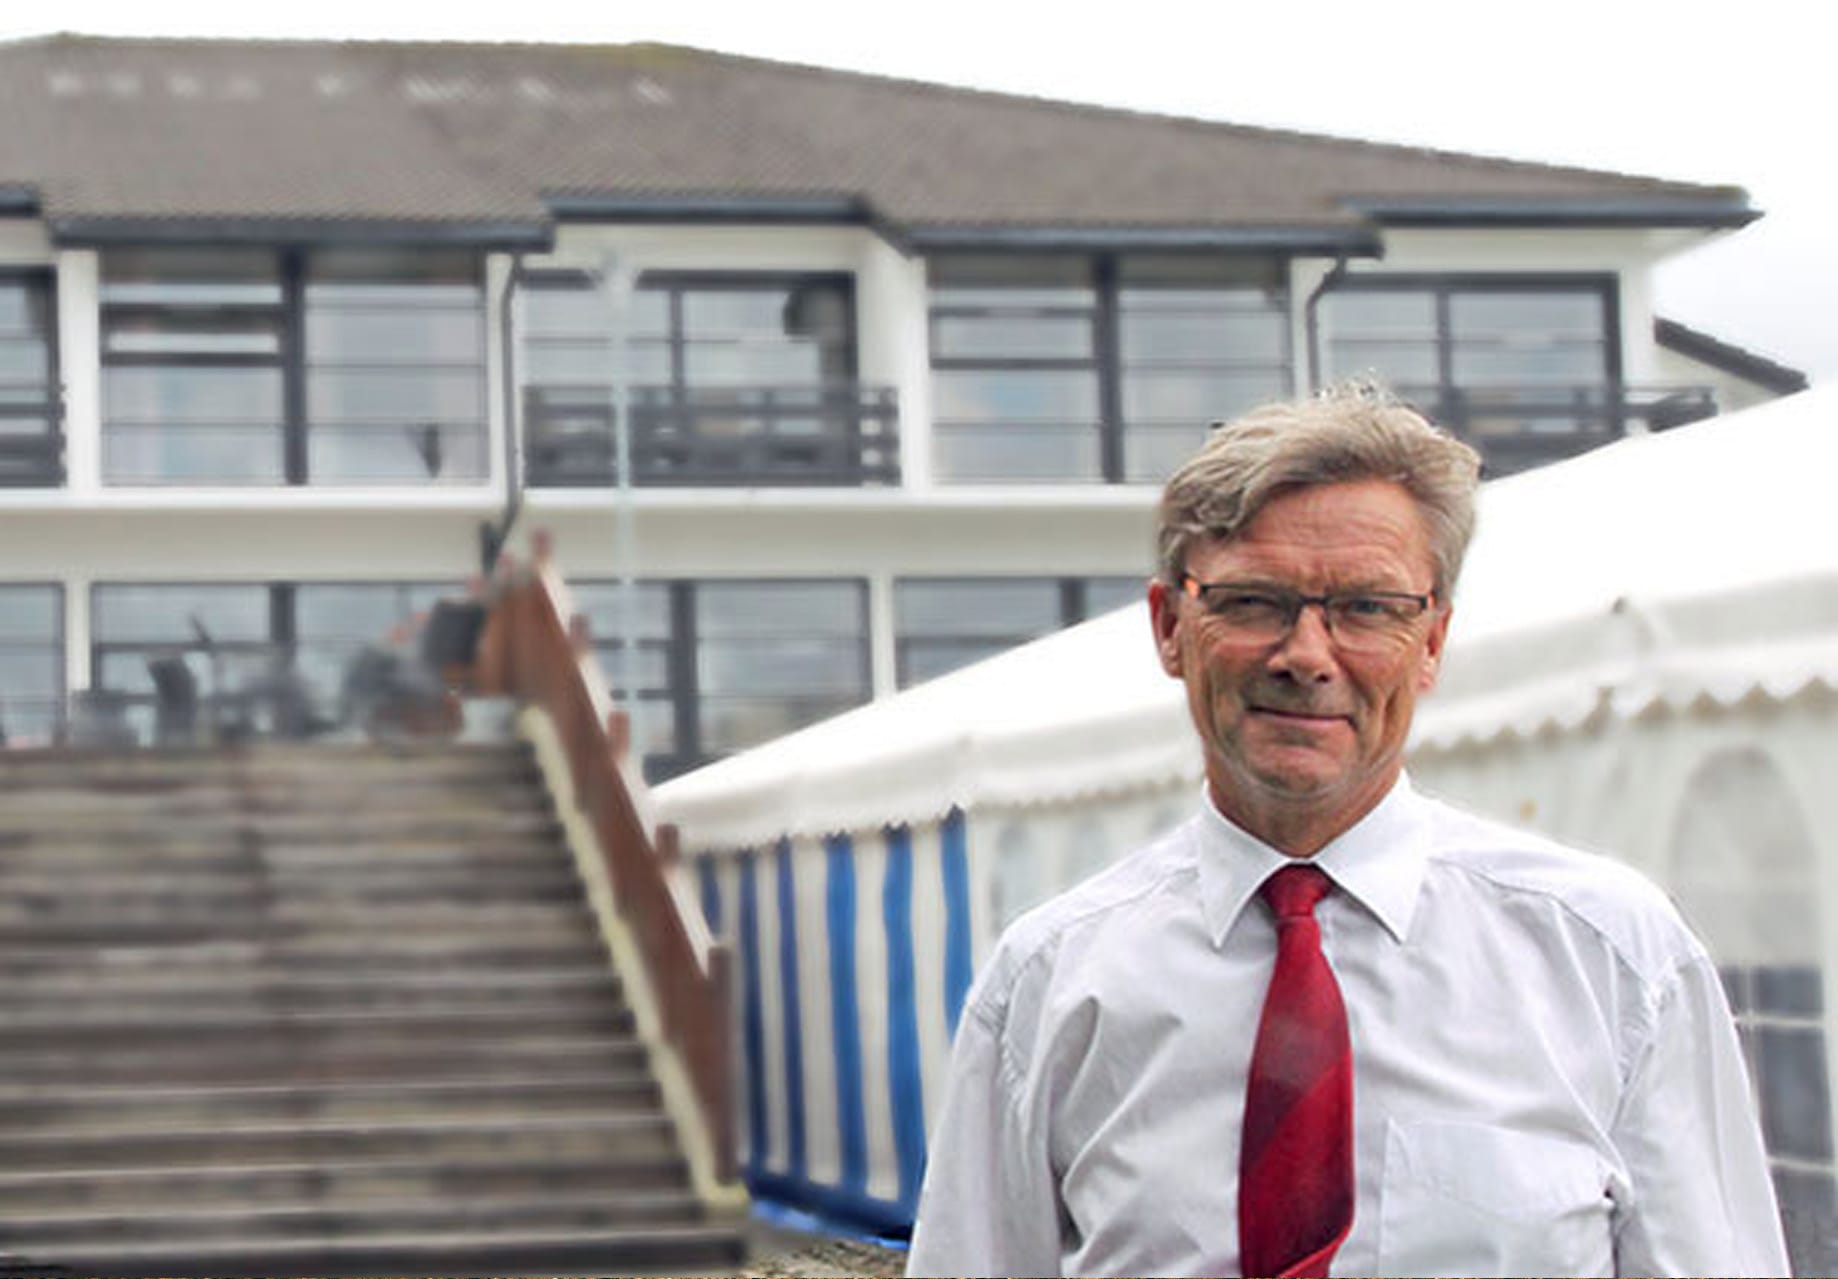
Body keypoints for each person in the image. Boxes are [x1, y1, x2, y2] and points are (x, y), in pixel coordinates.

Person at [904, 388, 1787, 1278]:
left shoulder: (1612, 960)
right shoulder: (1050, 985)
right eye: (1253, 601)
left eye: (1366, 607)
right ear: (1170, 627)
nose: (1307, 655)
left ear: (1432, 641)